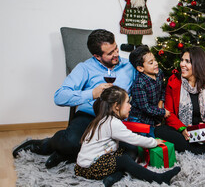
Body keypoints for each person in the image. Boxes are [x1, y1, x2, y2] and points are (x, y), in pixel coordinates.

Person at [12, 29, 136, 169]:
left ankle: (65, 154)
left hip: (118, 120)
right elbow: (59, 97)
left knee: (131, 152)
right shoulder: (85, 68)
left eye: (116, 48)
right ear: (97, 56)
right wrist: (92, 93)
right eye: (110, 53)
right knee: (71, 142)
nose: (116, 55)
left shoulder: (129, 66)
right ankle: (45, 144)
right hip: (90, 116)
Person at [75, 86, 181, 187]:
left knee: (130, 149)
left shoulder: (104, 119)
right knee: (124, 160)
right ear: (117, 106)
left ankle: (114, 176)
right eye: (127, 102)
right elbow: (134, 139)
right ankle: (158, 178)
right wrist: (154, 142)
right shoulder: (112, 123)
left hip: (88, 164)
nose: (130, 106)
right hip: (90, 167)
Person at [127, 45, 170, 137]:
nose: (156, 63)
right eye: (151, 63)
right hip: (139, 119)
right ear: (140, 68)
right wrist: (162, 112)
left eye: (155, 60)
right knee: (148, 141)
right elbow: (145, 108)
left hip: (153, 114)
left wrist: (160, 103)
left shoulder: (159, 73)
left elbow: (163, 89)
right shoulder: (139, 84)